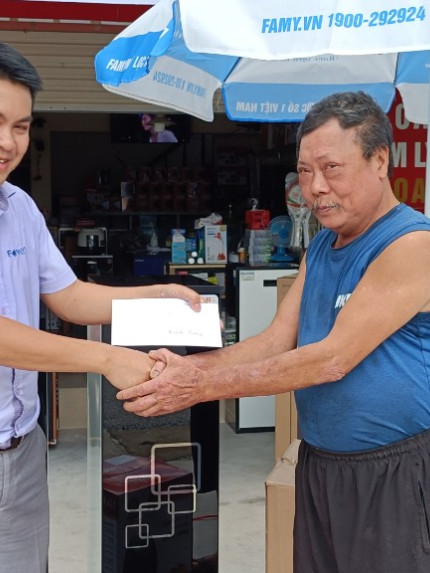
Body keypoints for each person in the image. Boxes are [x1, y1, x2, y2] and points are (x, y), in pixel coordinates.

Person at [118, 91, 430, 573]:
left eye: (331, 168)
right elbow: (274, 341)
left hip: (390, 468)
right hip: (320, 461)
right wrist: (187, 368)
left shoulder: (410, 243)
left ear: (379, 161)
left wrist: (199, 386)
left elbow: (331, 359)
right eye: (304, 171)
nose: (315, 188)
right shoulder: (323, 246)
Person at [0, 42, 201, 573]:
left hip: (21, 449)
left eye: (21, 127)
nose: (8, 142)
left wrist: (156, 294)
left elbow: (69, 296)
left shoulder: (19, 208)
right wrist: (108, 358)